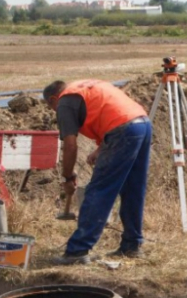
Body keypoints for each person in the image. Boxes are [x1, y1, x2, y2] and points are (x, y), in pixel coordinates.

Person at [43, 79, 152, 265]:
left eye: (51, 107)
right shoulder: (86, 86)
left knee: (99, 190)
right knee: (133, 188)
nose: (55, 111)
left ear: (53, 98)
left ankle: (77, 250)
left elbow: (70, 145)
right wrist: (101, 148)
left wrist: (68, 177)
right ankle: (132, 245)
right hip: (142, 124)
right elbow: (112, 112)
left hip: (123, 129)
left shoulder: (65, 101)